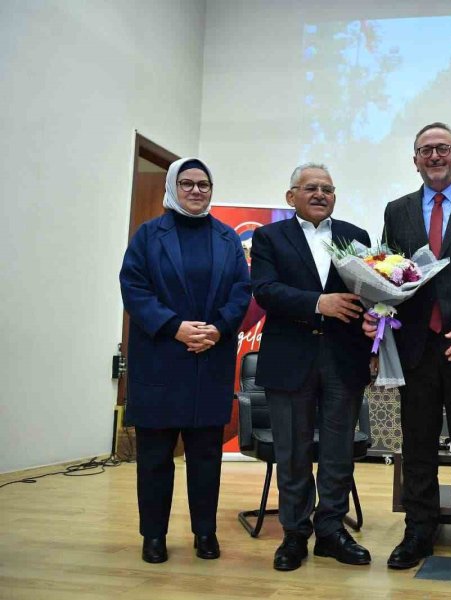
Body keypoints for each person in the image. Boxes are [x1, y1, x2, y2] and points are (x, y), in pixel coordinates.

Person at [365, 122, 451, 572]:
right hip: (415, 348)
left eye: (443, 148)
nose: (434, 156)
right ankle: (418, 532)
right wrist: (378, 313)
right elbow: (387, 273)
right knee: (417, 445)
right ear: (415, 161)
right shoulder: (398, 210)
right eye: (425, 150)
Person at [120, 157, 251, 564]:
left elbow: (241, 290)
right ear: (173, 188)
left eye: (203, 184)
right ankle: (153, 536)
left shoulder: (228, 238)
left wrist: (218, 329)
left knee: (206, 457)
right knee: (155, 458)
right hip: (160, 359)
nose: (196, 190)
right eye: (187, 183)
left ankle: (205, 533)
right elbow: (134, 288)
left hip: (208, 360)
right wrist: (174, 327)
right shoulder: (148, 235)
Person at [250, 163, 373, 572]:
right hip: (289, 358)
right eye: (311, 188)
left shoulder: (356, 236)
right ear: (291, 197)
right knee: (292, 452)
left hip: (344, 357)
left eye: (328, 189)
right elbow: (265, 291)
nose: (320, 194)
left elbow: (368, 293)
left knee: (338, 452)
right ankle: (294, 533)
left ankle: (332, 531)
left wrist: (376, 324)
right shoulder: (269, 237)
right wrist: (319, 303)